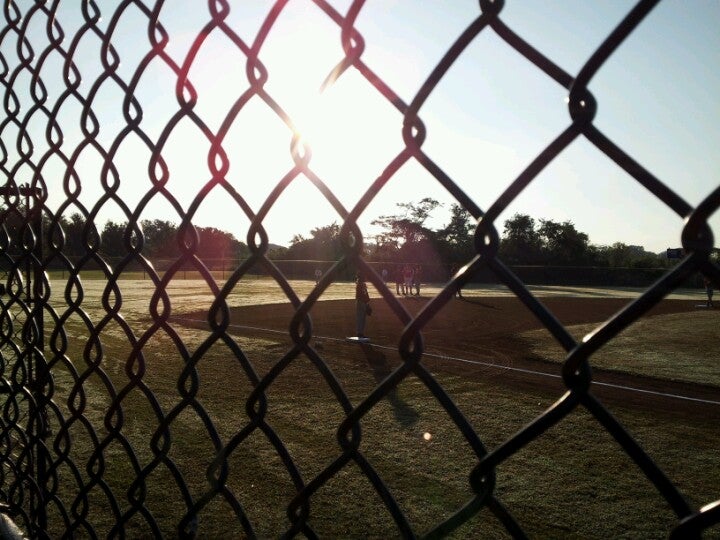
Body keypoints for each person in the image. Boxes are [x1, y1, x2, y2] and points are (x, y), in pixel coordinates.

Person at [355, 272, 371, 338]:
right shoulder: (360, 284)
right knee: (361, 318)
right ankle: (359, 333)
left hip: (362, 302)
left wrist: (367, 303)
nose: (365, 277)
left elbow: (365, 294)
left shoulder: (361, 284)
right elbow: (363, 294)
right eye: (364, 277)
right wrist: (366, 302)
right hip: (361, 302)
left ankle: (361, 333)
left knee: (362, 318)